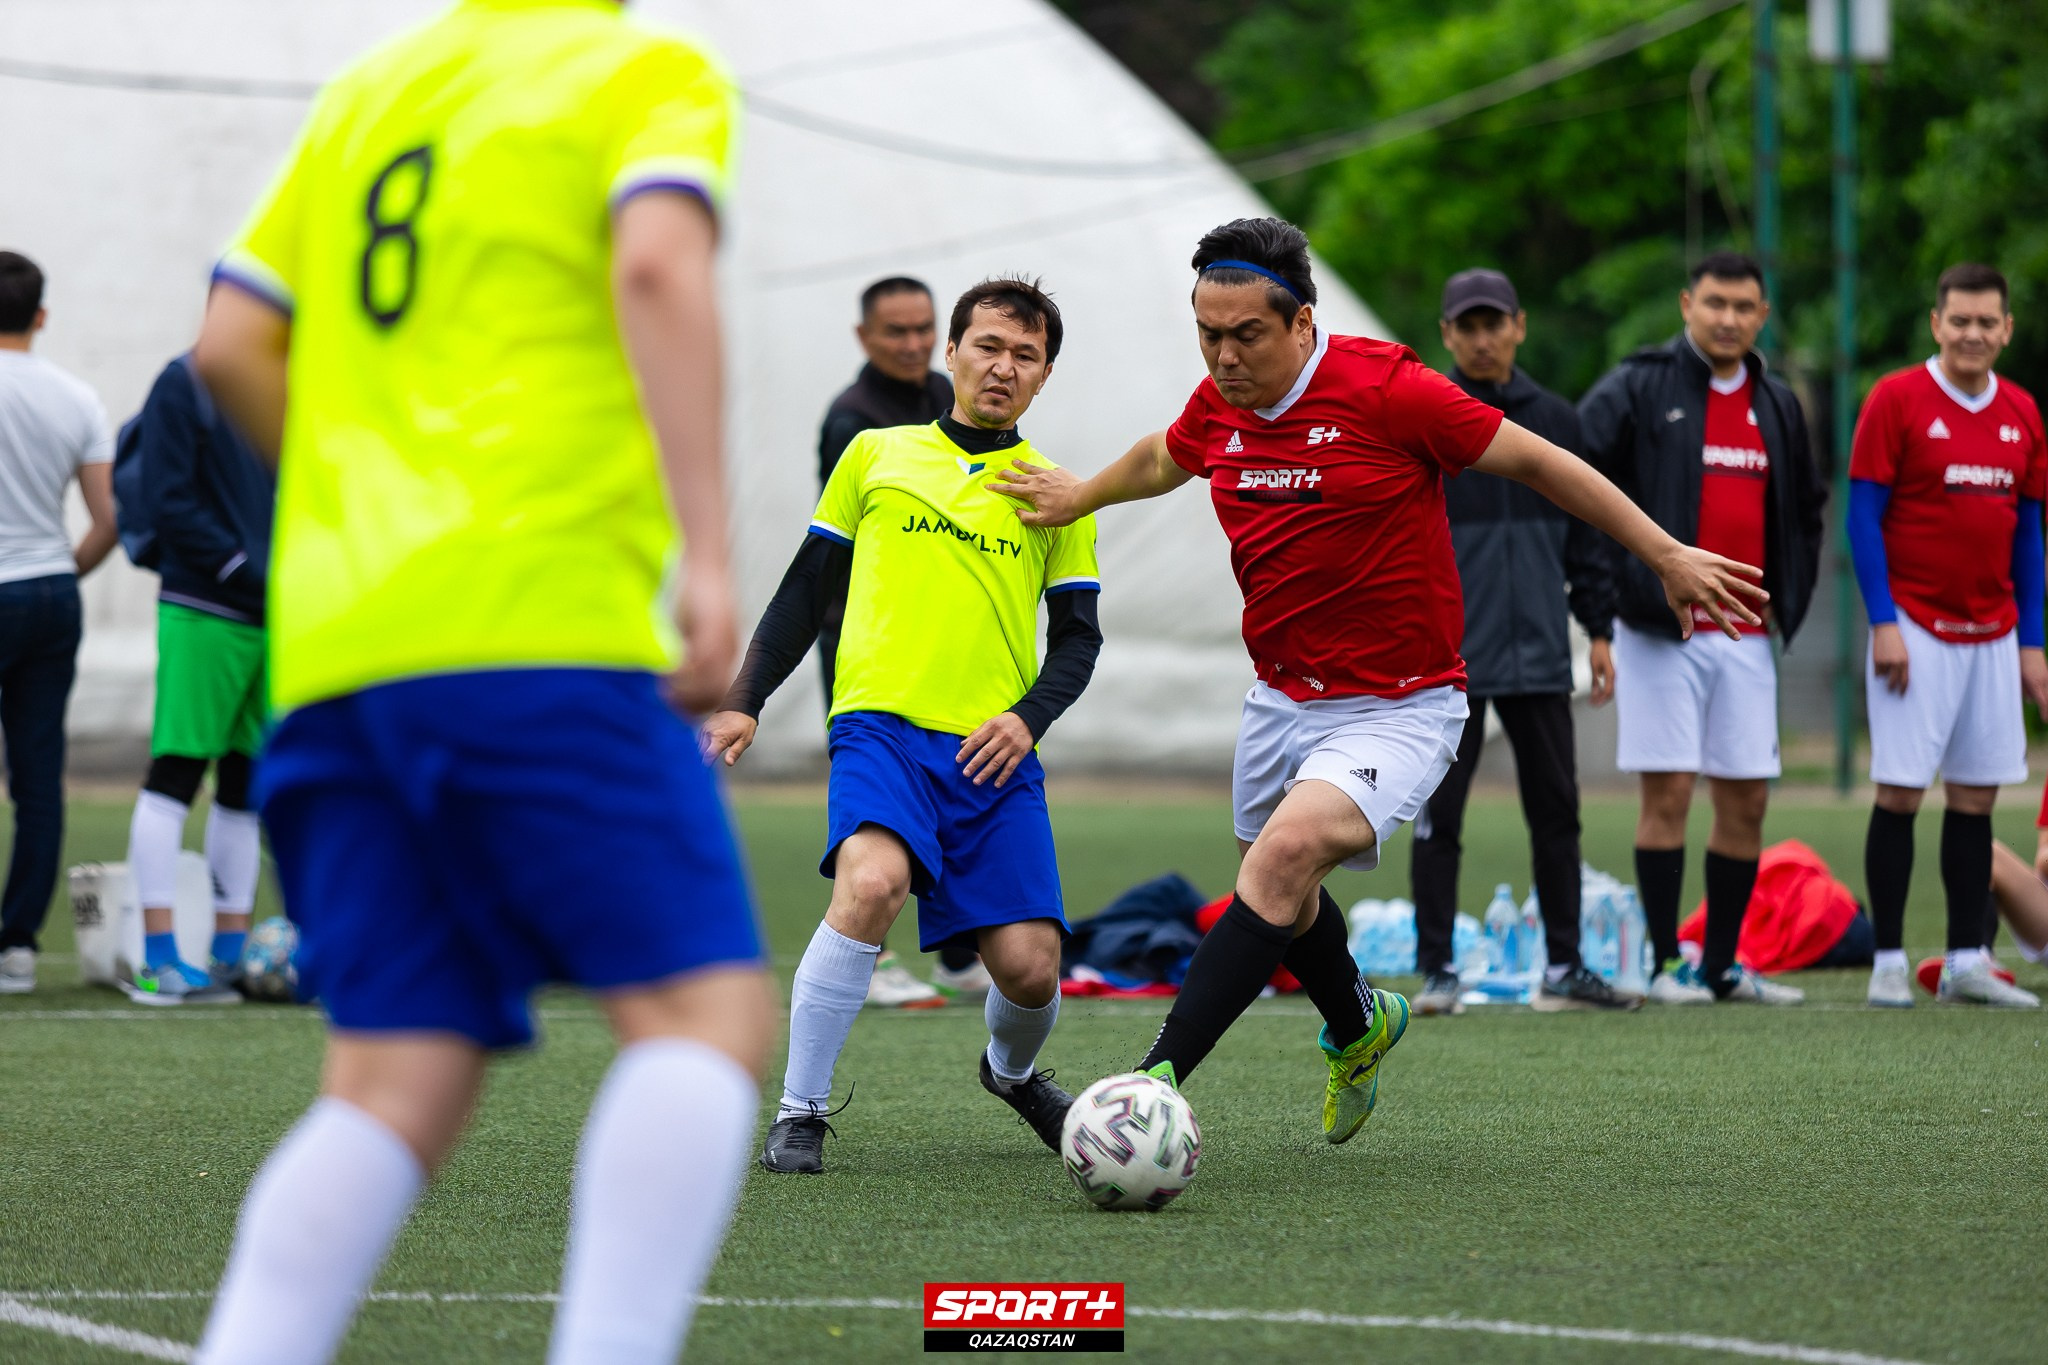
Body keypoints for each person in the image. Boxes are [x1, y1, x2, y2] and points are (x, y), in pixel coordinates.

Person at [186, 3, 773, 1361]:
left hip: (342, 651)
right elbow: (655, 266)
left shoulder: (369, 92)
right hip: (534, 621)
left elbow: (229, 340)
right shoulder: (641, 71)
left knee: (394, 1075)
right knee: (701, 1016)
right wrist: (707, 557)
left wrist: (361, 510)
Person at [995, 218, 1764, 1147]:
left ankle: (1147, 1086)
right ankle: (1359, 1024)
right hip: (1281, 696)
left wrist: (1665, 552)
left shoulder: (1390, 389)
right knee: (1282, 891)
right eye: (1208, 333)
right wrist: (1080, 494)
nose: (1225, 356)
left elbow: (1539, 461)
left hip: (1401, 702)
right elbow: (1167, 455)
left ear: (1303, 322)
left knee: (1278, 862)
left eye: (1247, 335)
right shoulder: (1221, 402)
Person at [704, 278, 1103, 1175]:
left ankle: (1011, 1073)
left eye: (1026, 355)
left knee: (1031, 968)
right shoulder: (875, 452)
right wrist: (743, 697)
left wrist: (1027, 718)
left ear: (1044, 375)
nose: (1003, 367)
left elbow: (1080, 639)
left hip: (992, 752)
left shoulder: (1057, 493)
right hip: (879, 728)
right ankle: (800, 1110)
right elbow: (806, 588)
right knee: (872, 883)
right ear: (951, 352)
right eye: (988, 346)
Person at [1578, 251, 1826, 1007]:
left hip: (1747, 637)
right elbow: (1578, 481)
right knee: (1671, 795)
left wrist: (1788, 598)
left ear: (1763, 316)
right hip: (1663, 634)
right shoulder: (1639, 384)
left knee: (1746, 801)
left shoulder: (1777, 403)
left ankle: (1720, 966)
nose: (1728, 318)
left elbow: (1806, 511)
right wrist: (1601, 615)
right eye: (1715, 302)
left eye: (1744, 306)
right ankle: (1664, 963)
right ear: (1688, 304)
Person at [1408, 268, 1633, 1015]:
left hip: (1539, 651)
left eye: (1493, 324)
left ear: (1519, 326)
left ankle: (1564, 966)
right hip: (1449, 657)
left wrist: (1598, 629)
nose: (1481, 339)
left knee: (1557, 811)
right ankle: (1438, 970)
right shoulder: (1425, 418)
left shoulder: (1559, 421)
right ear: (1447, 334)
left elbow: (1588, 535)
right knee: (1439, 816)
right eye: (1467, 326)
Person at [1849, 262, 2045, 1010]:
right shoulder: (1895, 398)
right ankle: (1888, 961)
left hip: (1993, 633)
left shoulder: (2022, 411)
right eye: (1959, 320)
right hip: (1914, 629)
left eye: (1986, 321)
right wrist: (1884, 622)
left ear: (2007, 329)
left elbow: (2028, 536)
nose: (1972, 333)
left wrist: (2032, 642)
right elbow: (1862, 517)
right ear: (1936, 323)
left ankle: (1968, 959)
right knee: (1900, 791)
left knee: (1975, 797)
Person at [818, 276, 992, 1009]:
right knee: (872, 799)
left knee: (954, 783)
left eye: (924, 328)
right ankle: (874, 954)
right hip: (862, 638)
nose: (913, 342)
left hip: (939, 642)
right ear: (864, 337)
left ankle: (956, 952)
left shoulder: (946, 396)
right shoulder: (852, 421)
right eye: (896, 330)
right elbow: (849, 546)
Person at [120, 353, 274, 1004]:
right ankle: (157, 960)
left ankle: (230, 956)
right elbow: (170, 498)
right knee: (177, 773)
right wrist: (242, 568)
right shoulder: (183, 381)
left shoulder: (292, 380)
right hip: (204, 608)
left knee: (245, 783)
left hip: (275, 614)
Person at [0, 250, 119, 997]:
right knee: (39, 780)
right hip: (50, 589)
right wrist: (60, 574)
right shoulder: (76, 397)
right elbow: (110, 520)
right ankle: (16, 945)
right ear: (40, 315)